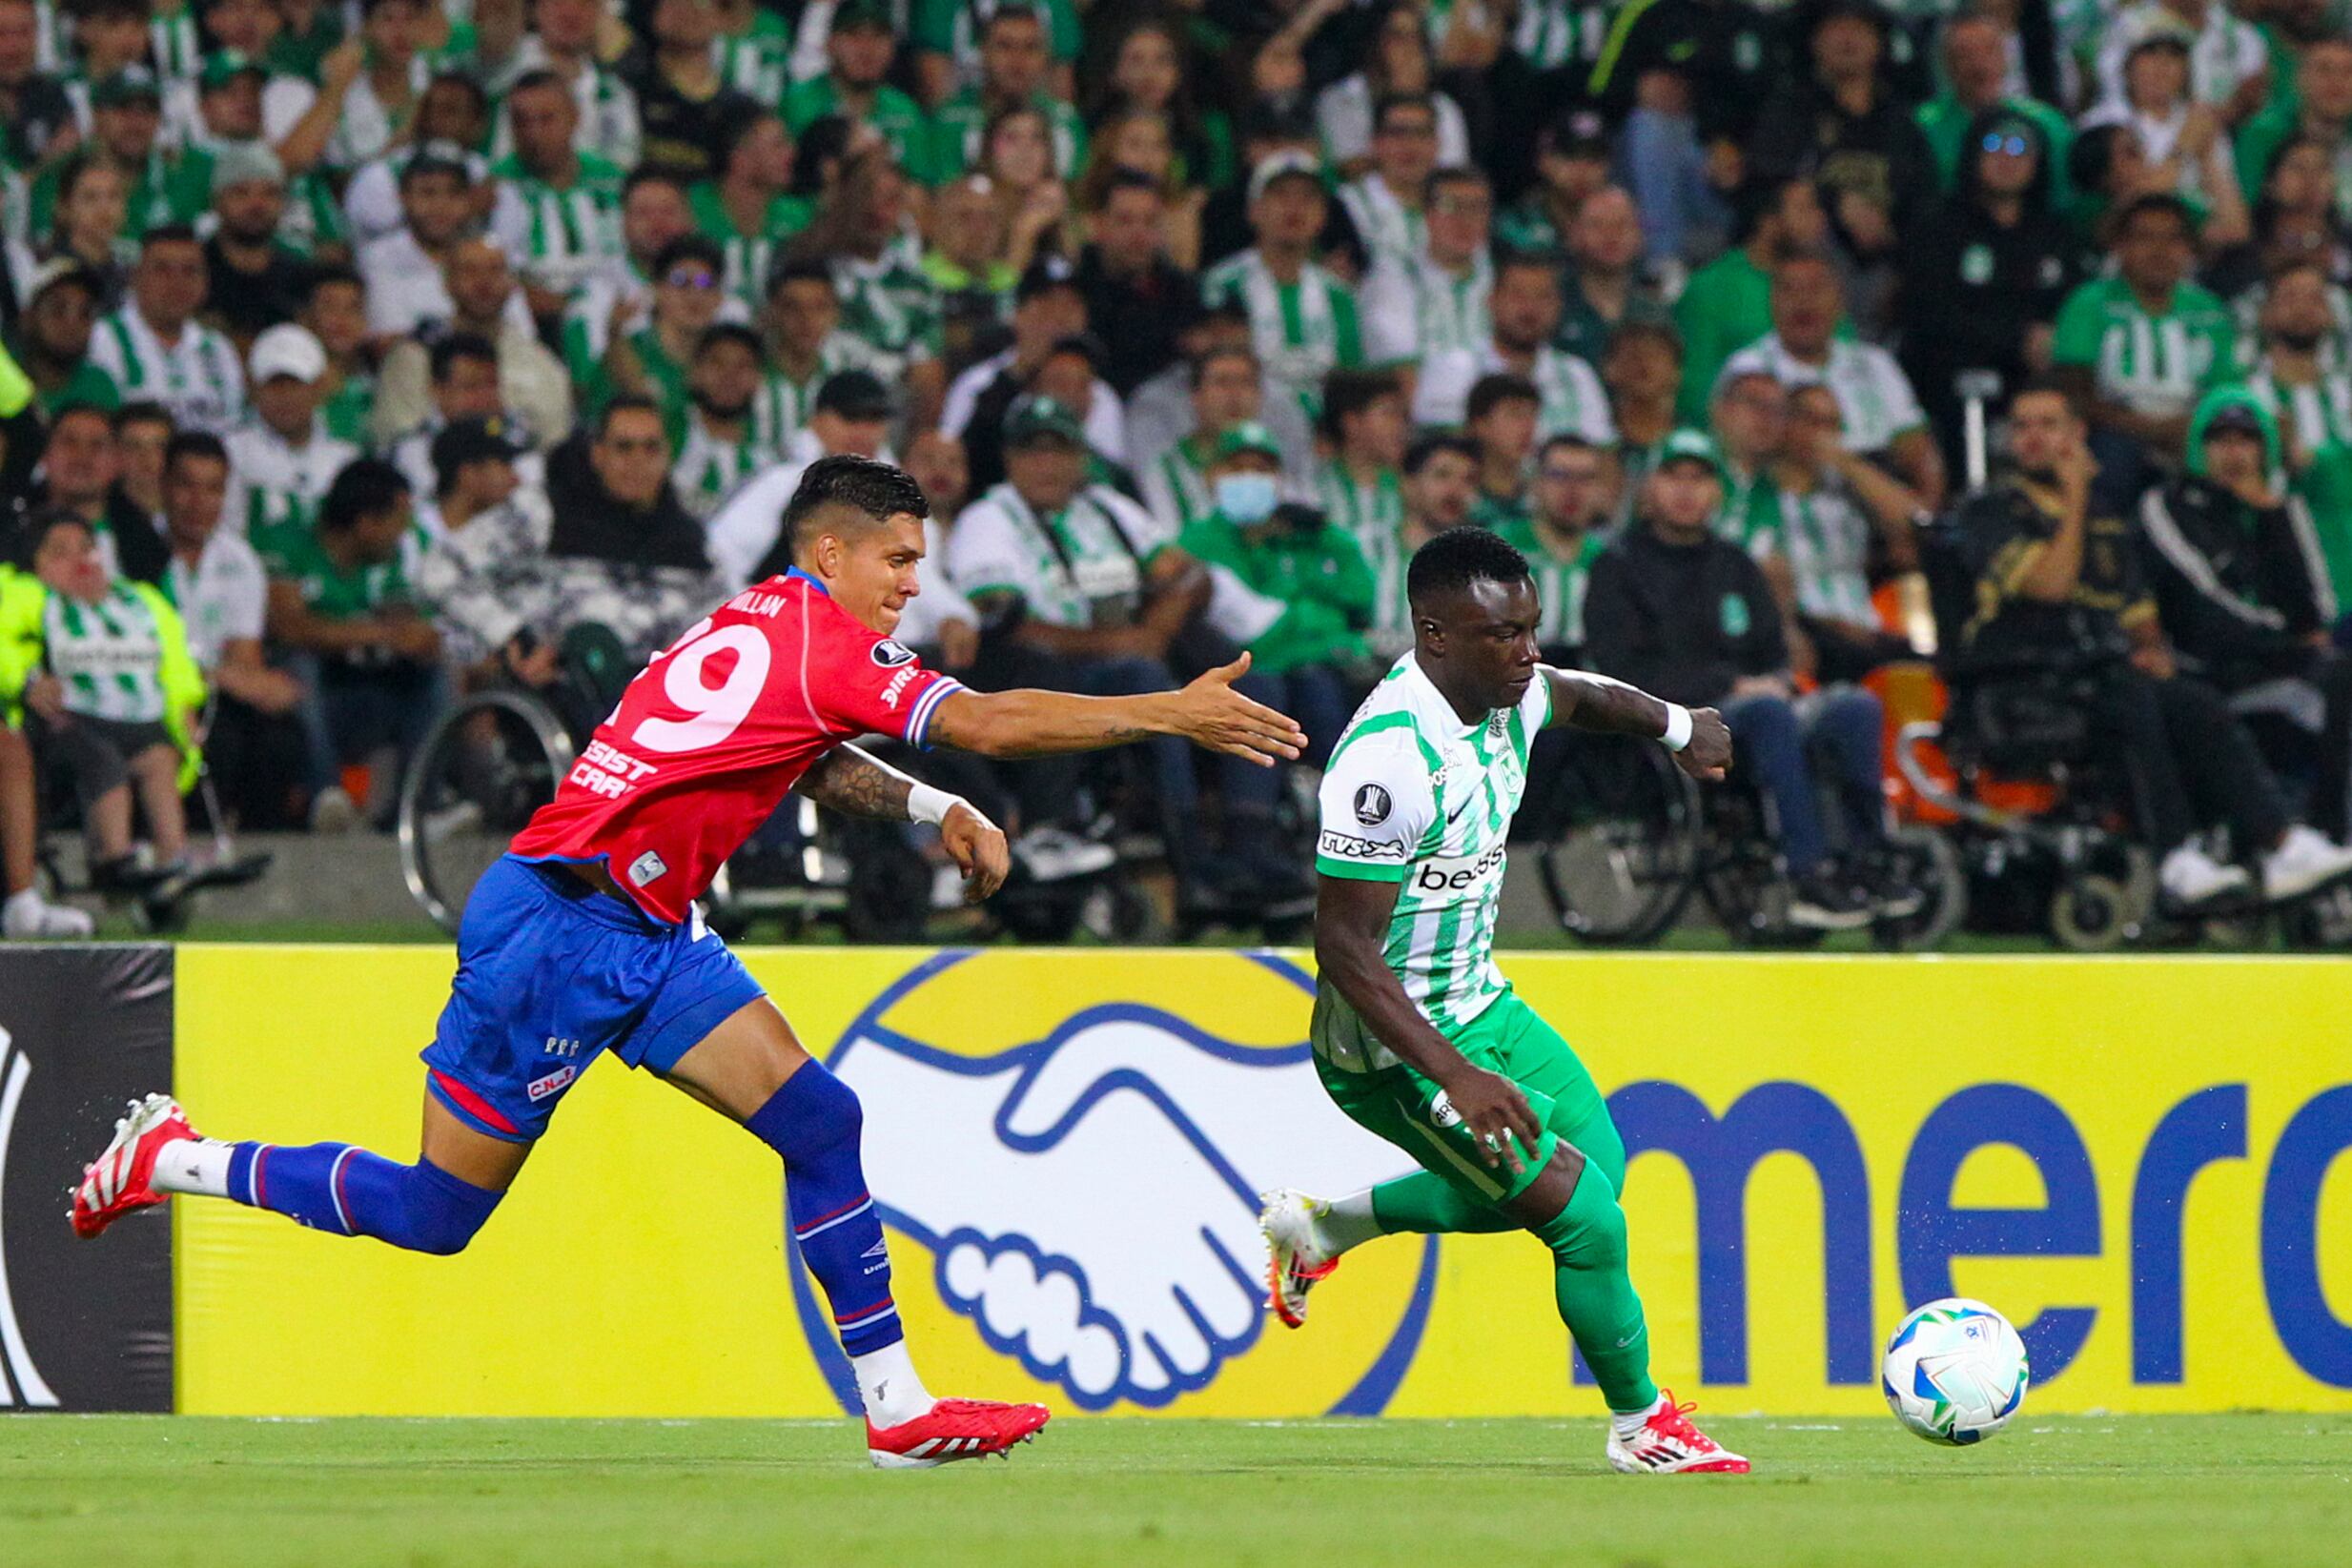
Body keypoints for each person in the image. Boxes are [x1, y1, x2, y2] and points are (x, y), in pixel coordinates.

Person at [72, 451, 1306, 1470]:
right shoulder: (824, 637)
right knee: (434, 1211)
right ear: (830, 552)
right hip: (557, 933)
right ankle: (172, 1156)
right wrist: (1167, 711)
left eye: (920, 566)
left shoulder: (764, 617)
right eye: (896, 561)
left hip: (648, 929)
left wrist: (931, 812)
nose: (909, 587)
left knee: (822, 1123)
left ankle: (894, 1409)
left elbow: (807, 756)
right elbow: (983, 718)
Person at [1257, 522, 1750, 1476]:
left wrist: (1681, 727)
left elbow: (1584, 695)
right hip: (1392, 1050)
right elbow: (1344, 948)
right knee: (1584, 1218)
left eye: (1529, 625)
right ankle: (1640, 1424)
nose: (1525, 650)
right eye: (1501, 633)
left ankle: (1325, 1227)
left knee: (1596, 1171)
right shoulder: (1389, 761)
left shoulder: (1507, 689)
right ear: (1433, 635)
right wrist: (1457, 1073)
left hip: (1479, 1002)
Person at [1952, 381, 2352, 908]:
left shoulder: (2107, 519)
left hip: (2096, 672)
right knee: (2129, 691)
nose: (2032, 438)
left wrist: (2154, 649)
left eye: (2048, 426)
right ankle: (2173, 857)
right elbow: (2049, 587)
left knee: (2190, 698)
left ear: (2077, 435)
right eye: (2022, 426)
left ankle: (2279, 847)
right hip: (2019, 681)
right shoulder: (1991, 511)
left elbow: (2140, 616)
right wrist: (2075, 499)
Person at [1584, 429, 1903, 927]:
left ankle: (1873, 859)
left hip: (1757, 703)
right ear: (1650, 489)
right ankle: (1806, 871)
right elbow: (1623, 667)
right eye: (1674, 476)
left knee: (1853, 707)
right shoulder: (1618, 567)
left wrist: (1775, 678)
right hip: (1673, 718)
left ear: (1717, 492)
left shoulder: (1735, 565)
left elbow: (1773, 652)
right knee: (1767, 713)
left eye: (1700, 478)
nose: (1687, 490)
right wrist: (1729, 686)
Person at [2139, 389, 2352, 839]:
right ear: (2200, 446)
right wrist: (2286, 638)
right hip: (2209, 674)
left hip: (2283, 666)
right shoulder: (2166, 505)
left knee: (2341, 677)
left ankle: (2329, 835)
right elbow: (2205, 609)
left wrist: (2273, 518)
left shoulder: (2281, 509)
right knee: (2335, 682)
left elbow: (2316, 610)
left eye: (2247, 441)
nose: (2233, 454)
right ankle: (2318, 836)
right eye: (2220, 441)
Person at [1176, 420, 1373, 889]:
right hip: (1225, 675)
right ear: (1212, 477)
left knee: (1320, 685)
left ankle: (1348, 828)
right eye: (1237, 467)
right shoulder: (1197, 542)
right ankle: (1261, 839)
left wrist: (1327, 535)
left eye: (1261, 468)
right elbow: (1257, 634)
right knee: (1279, 684)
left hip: (1302, 675)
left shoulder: (1303, 536)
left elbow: (1361, 598)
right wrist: (1316, 626)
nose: (1249, 477)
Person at [6, 508, 203, 893]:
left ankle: (174, 859)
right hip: (59, 723)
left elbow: (172, 657)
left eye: (86, 549)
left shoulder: (134, 600)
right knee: (102, 759)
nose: (78, 560)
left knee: (160, 757)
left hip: (130, 717)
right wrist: (26, 680)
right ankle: (115, 859)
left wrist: (183, 704)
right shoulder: (23, 597)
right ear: (36, 563)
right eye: (61, 552)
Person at [258, 457, 442, 831]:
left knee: (434, 676)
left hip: (360, 700)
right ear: (365, 524)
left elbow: (410, 625)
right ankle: (325, 796)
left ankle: (417, 809)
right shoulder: (289, 544)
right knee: (298, 664)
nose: (400, 535)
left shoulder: (388, 564)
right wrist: (381, 633)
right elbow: (289, 627)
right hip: (300, 709)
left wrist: (417, 639)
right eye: (394, 524)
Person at [1900, 108, 2077, 476]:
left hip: (2036, 380)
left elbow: (2070, 306)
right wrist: (2015, 340)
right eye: (1994, 145)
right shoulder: (1939, 227)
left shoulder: (2056, 234)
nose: (2006, 159)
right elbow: (1929, 312)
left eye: (2019, 148)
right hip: (1953, 381)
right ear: (1973, 154)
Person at [2050, 193, 2238, 513]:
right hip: (2114, 436)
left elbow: (2226, 392)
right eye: (2145, 237)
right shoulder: (2090, 303)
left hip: (2193, 434)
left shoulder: (2209, 310)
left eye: (2173, 238)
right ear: (2120, 247)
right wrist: (2150, 429)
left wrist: (2194, 430)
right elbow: (2074, 393)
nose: (2160, 251)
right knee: (2110, 455)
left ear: (2189, 249)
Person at [1718, 252, 1946, 508]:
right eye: (1789, 290)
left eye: (1816, 288)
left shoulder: (1875, 364)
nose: (1803, 301)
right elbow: (1734, 458)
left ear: (1840, 300)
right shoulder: (1748, 368)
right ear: (1772, 300)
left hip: (1874, 508)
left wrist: (1926, 523)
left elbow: (1917, 450)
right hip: (1780, 508)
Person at [1200, 153, 1362, 425]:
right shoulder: (1223, 284)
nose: (1294, 207)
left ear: (1323, 215)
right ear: (1254, 210)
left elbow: (1347, 382)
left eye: (1308, 197)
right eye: (1281, 195)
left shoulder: (1339, 295)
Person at [1414, 251, 1615, 445]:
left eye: (1542, 297)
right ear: (1492, 301)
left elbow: (1603, 458)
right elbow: (1444, 453)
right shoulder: (1452, 369)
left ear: (1558, 306)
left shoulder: (1577, 375)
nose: (1530, 308)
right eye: (1518, 295)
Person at [1671, 177, 1830, 424]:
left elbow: (1843, 357)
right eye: (1804, 209)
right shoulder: (1711, 287)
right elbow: (1694, 392)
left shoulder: (1823, 286)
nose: (1819, 219)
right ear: (1768, 221)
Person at [86, 226, 248, 437]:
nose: (177, 283)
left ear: (206, 282)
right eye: (162, 270)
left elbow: (233, 428)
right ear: (136, 277)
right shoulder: (103, 337)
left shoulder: (218, 349)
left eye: (190, 271)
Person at [225, 323, 360, 548]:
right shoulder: (233, 451)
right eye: (275, 385)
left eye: (295, 385)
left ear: (318, 387)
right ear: (255, 389)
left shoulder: (345, 457)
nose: (286, 397)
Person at [1359, 166, 1496, 376]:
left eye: (1477, 208)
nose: (1465, 220)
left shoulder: (1501, 279)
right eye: (1451, 206)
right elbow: (1400, 369)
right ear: (1426, 213)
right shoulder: (1393, 278)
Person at [1139, 342, 1262, 536]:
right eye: (1222, 382)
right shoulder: (1165, 472)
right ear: (1195, 397)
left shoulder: (1274, 460)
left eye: (1245, 383)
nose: (1234, 395)